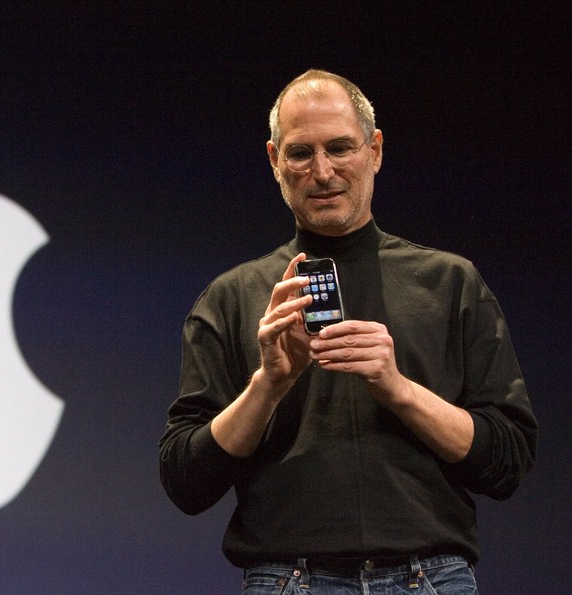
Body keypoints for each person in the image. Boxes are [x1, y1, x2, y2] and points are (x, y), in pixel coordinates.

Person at [158, 69, 537, 594]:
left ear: (375, 151)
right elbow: (185, 481)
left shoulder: (451, 283)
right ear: (274, 161)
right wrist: (267, 385)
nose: (322, 171)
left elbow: (508, 460)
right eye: (300, 153)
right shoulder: (231, 298)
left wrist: (398, 389)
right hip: (288, 580)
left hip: (430, 579)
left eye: (340, 148)